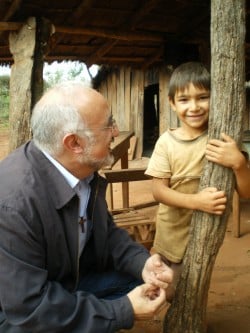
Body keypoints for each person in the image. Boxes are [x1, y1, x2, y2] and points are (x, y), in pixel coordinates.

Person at [0, 81, 173, 333]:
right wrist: (122, 310)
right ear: (75, 144)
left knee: (141, 282)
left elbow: (107, 233)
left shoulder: (82, 172)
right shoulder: (13, 205)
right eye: (108, 125)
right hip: (16, 315)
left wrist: (142, 264)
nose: (115, 132)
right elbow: (30, 308)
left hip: (64, 285)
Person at [145, 62, 229, 299]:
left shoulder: (221, 137)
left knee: (191, 286)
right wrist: (198, 202)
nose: (194, 107)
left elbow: (246, 190)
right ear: (172, 103)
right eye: (184, 100)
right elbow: (158, 191)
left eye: (203, 97)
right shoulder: (167, 142)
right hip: (170, 232)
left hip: (202, 235)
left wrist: (240, 164)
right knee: (167, 289)